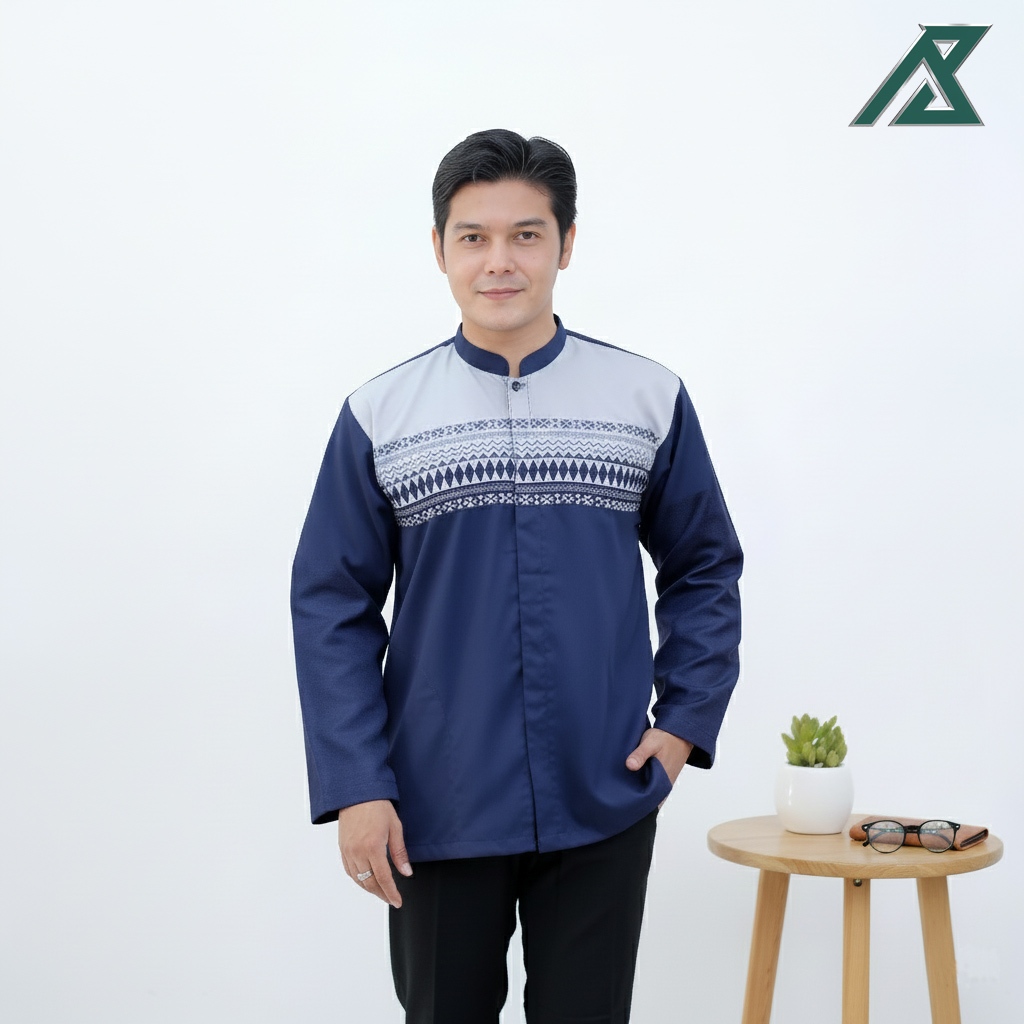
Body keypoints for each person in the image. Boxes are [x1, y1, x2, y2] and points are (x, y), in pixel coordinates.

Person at [291, 128, 742, 1024]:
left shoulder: (645, 397)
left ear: (566, 245)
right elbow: (331, 604)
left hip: (604, 790)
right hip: (435, 802)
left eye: (526, 235)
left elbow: (704, 565)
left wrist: (684, 723)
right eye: (475, 237)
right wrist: (357, 784)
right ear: (440, 249)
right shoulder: (381, 414)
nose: (499, 260)